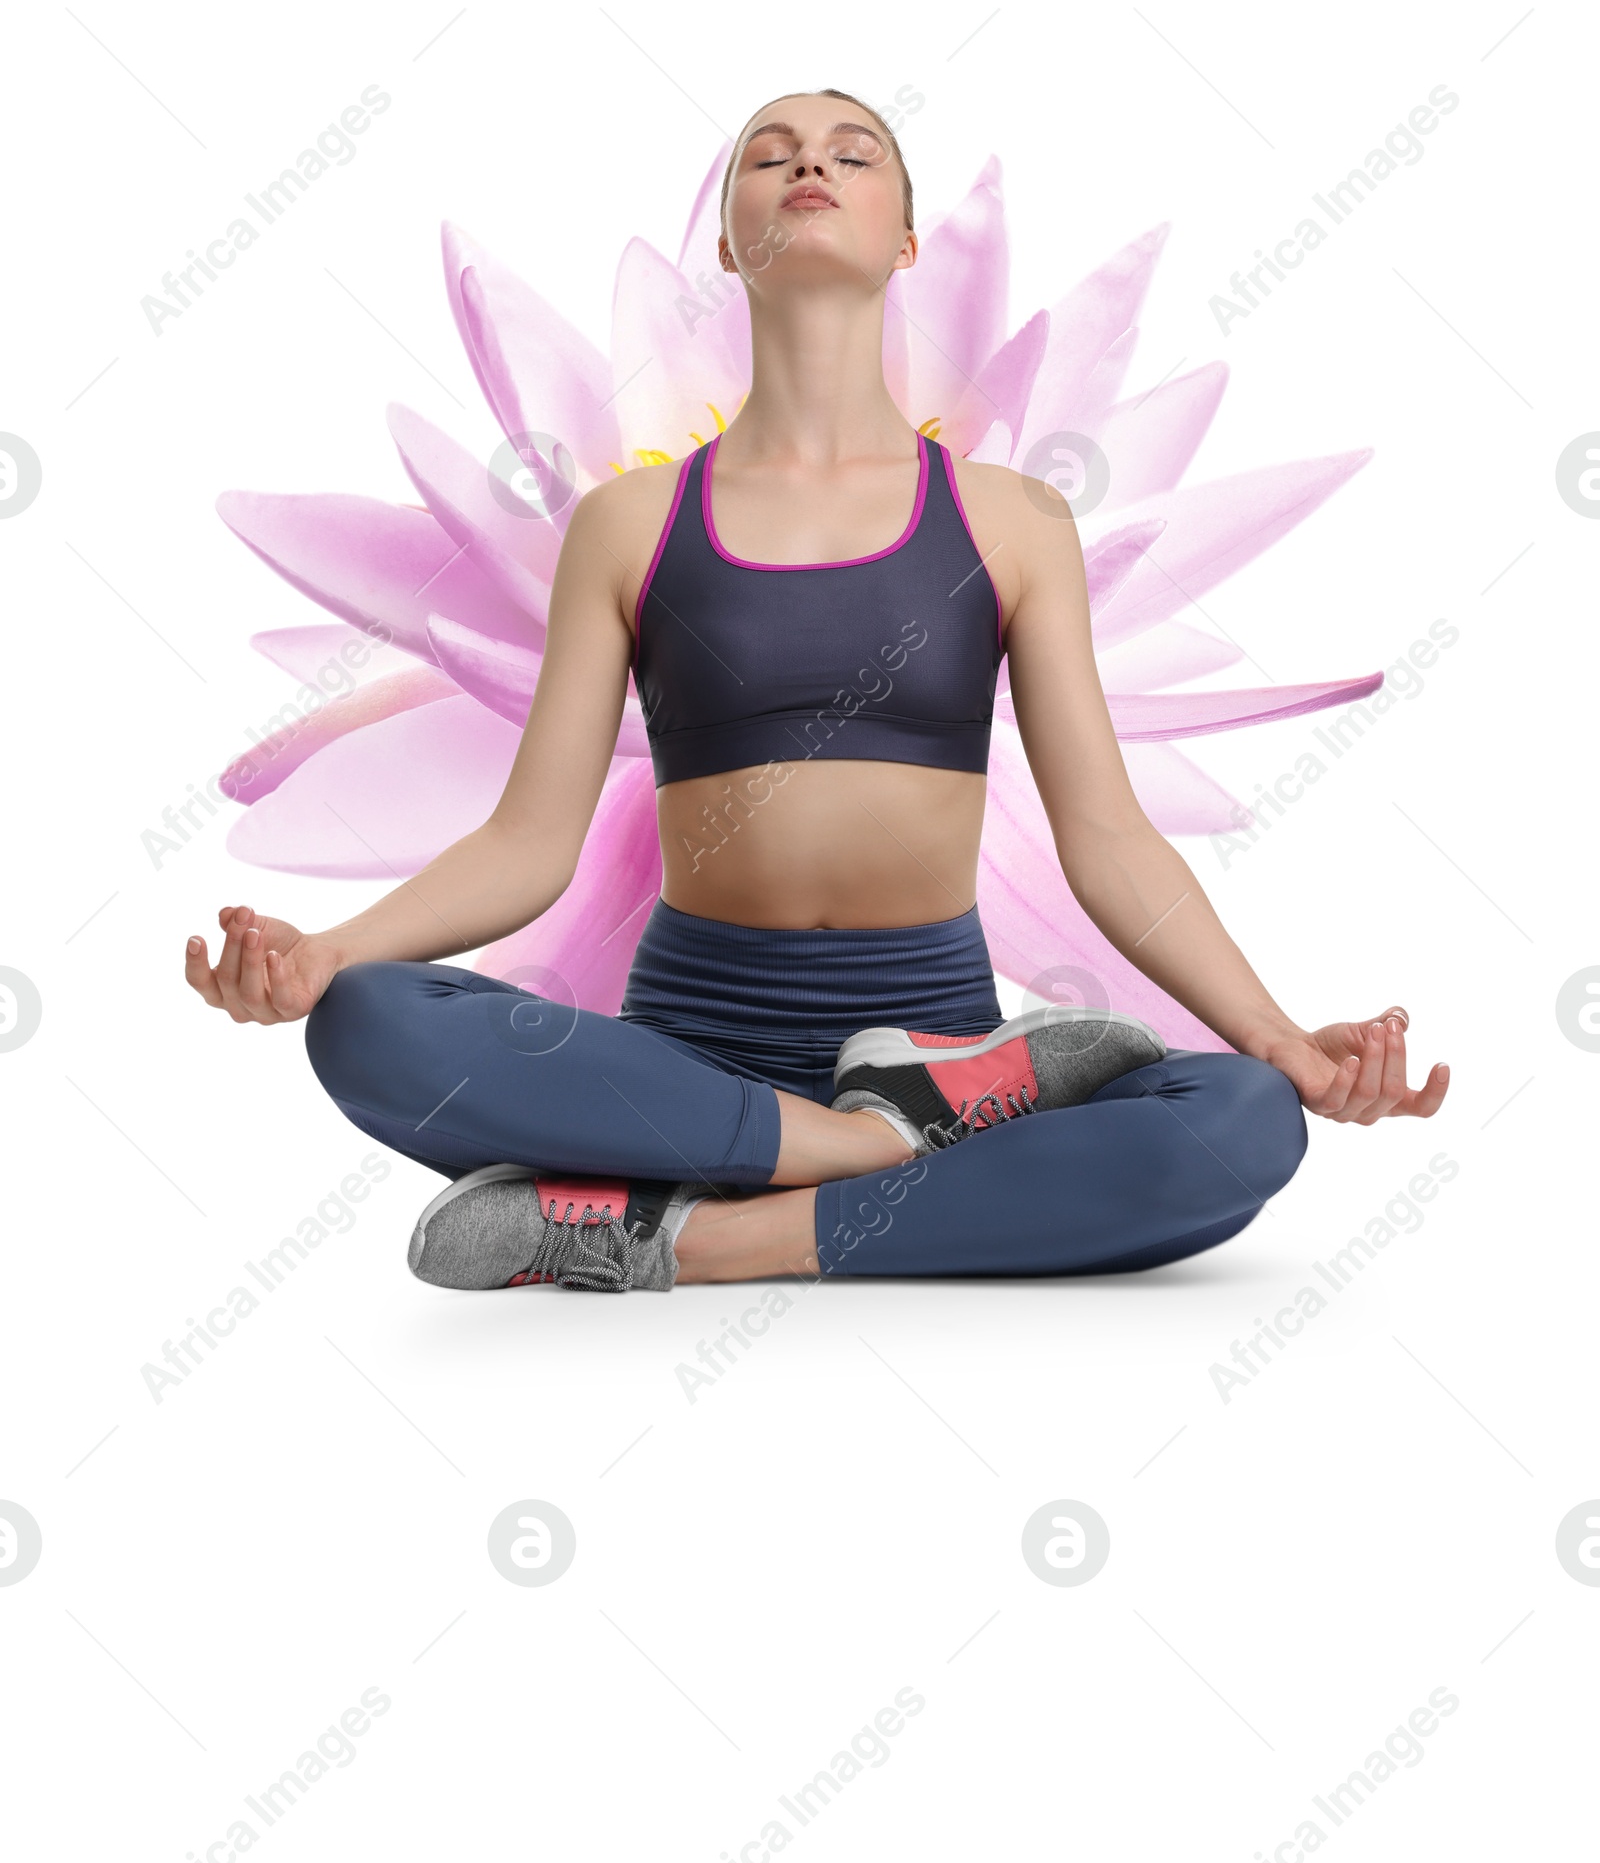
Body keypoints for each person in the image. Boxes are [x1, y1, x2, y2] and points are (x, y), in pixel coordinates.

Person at [183, 87, 1450, 1293]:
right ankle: (882, 1151)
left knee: (1239, 1124)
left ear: (906, 240)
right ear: (728, 244)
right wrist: (326, 954)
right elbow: (527, 843)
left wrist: (1279, 1037)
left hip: (942, 1040)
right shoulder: (628, 522)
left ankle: (685, 1234)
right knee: (369, 1026)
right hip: (684, 1050)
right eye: (769, 150)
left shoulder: (1014, 519)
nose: (808, 162)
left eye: (852, 152)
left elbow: (1106, 837)